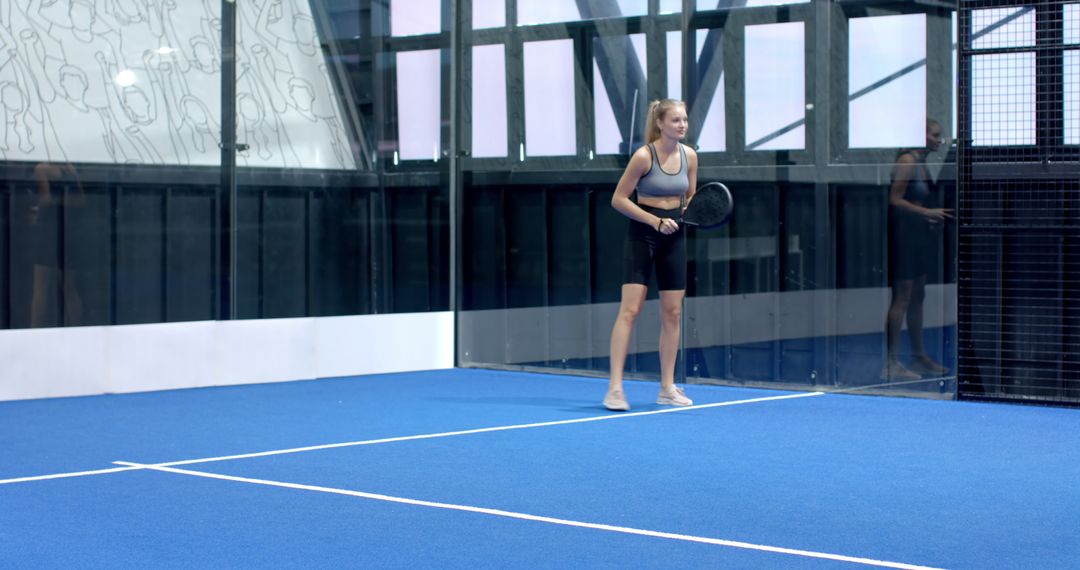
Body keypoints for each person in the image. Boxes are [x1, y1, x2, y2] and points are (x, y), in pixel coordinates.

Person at [604, 99, 698, 411]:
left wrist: (682, 215)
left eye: (684, 120)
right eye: (676, 120)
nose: (682, 125)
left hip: (675, 235)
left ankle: (667, 389)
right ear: (660, 123)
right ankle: (615, 389)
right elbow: (619, 199)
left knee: (673, 313)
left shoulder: (690, 156)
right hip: (643, 234)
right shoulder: (644, 156)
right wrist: (655, 221)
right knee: (630, 310)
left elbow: (691, 196)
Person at [883, 119, 953, 380]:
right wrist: (926, 212)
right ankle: (891, 363)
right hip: (904, 238)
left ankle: (918, 355)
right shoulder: (907, 161)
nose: (939, 140)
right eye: (935, 135)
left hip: (918, 237)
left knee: (918, 295)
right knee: (902, 297)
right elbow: (894, 199)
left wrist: (929, 217)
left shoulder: (921, 162)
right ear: (921, 135)